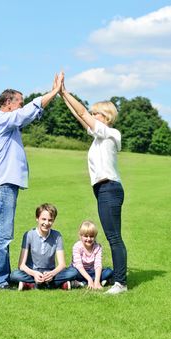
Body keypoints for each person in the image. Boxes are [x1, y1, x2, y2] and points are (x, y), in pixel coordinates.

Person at [0, 73, 64, 289]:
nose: (21, 107)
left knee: (3, 234)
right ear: (8, 104)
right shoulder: (1, 120)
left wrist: (50, 98)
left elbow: (30, 115)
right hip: (3, 185)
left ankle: (1, 279)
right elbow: (28, 112)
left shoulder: (8, 123)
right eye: (19, 103)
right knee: (2, 236)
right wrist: (54, 92)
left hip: (5, 185)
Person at [59, 74, 128, 294]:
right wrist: (62, 94)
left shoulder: (110, 133)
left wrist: (67, 92)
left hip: (109, 188)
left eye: (96, 112)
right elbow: (80, 117)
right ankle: (118, 280)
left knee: (114, 237)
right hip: (103, 190)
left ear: (106, 117)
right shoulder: (99, 136)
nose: (92, 115)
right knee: (113, 236)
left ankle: (121, 283)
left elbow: (82, 113)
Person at [10, 203, 77, 290]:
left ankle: (32, 285)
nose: (46, 223)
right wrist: (34, 274)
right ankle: (54, 284)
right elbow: (21, 265)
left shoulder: (57, 236)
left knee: (73, 272)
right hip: (32, 272)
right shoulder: (29, 235)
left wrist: (52, 274)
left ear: (53, 220)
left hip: (49, 272)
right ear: (37, 218)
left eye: (50, 220)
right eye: (43, 219)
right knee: (14, 275)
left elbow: (62, 264)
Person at [71, 220, 113, 289]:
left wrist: (97, 281)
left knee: (109, 271)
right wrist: (89, 279)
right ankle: (90, 281)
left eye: (91, 236)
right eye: (86, 236)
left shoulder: (97, 247)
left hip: (92, 272)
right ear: (81, 236)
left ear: (95, 236)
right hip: (79, 272)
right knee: (71, 273)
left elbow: (98, 264)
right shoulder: (77, 246)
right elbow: (79, 265)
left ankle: (84, 283)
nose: (89, 239)